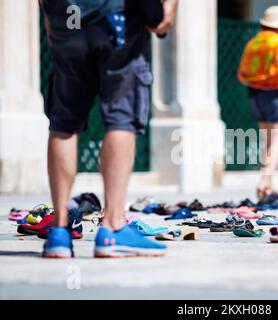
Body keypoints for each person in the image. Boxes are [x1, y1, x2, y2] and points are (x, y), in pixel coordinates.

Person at [39, 0, 179, 258]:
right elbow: (159, 20)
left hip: (64, 16)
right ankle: (113, 227)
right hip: (114, 18)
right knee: (120, 118)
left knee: (63, 122)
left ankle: (59, 232)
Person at [238, 6, 278, 200]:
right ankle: (264, 181)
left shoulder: (253, 42)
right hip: (276, 94)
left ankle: (268, 187)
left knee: (267, 140)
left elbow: (242, 71)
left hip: (255, 93)